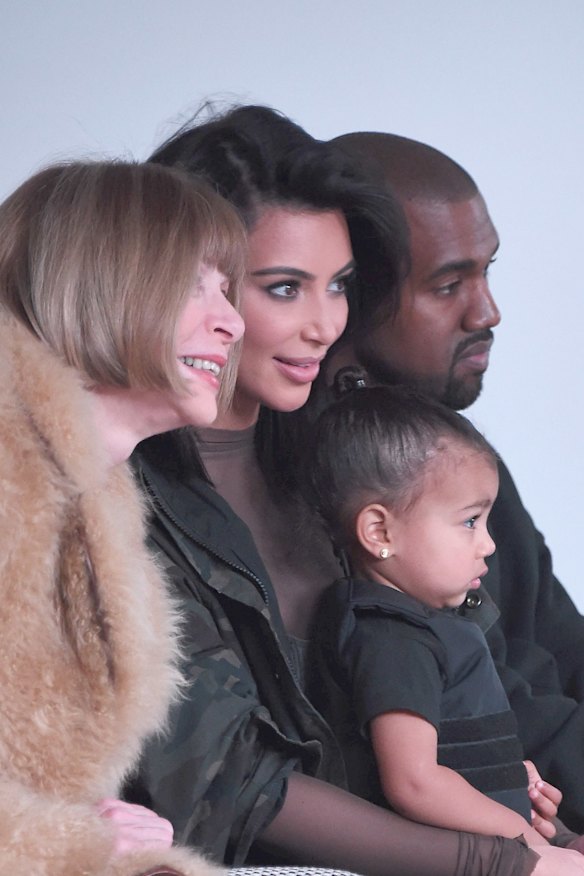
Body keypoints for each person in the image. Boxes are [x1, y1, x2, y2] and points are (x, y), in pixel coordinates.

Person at [127, 104, 584, 876]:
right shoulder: (120, 499)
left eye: (337, 285)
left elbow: (490, 668)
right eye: (283, 289)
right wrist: (508, 862)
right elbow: (227, 781)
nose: (322, 323)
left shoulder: (353, 453)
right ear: (186, 282)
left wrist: (537, 819)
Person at [326, 130, 584, 836]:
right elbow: (500, 704)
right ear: (354, 295)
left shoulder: (457, 460)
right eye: (449, 285)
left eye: (487, 271)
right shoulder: (335, 492)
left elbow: (562, 647)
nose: (487, 312)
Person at [0, 158, 245, 875]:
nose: (232, 321)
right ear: (100, 279)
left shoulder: (96, 501)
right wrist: (74, 840)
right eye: (196, 287)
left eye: (227, 292)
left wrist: (87, 828)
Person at [305, 377, 548, 847]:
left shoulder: (424, 625)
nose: (489, 544)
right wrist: (526, 841)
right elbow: (414, 783)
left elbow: (450, 754)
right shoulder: (392, 638)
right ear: (380, 532)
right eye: (469, 521)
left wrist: (513, 784)